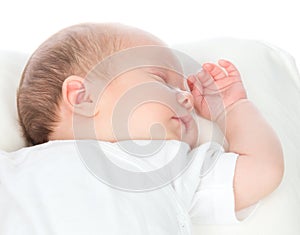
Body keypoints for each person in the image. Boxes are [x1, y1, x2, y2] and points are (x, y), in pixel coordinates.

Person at [0, 23, 284, 234]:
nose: (187, 98)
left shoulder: (169, 164)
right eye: (161, 80)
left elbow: (262, 171)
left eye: (182, 87)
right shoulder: (16, 168)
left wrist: (232, 109)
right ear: (83, 97)